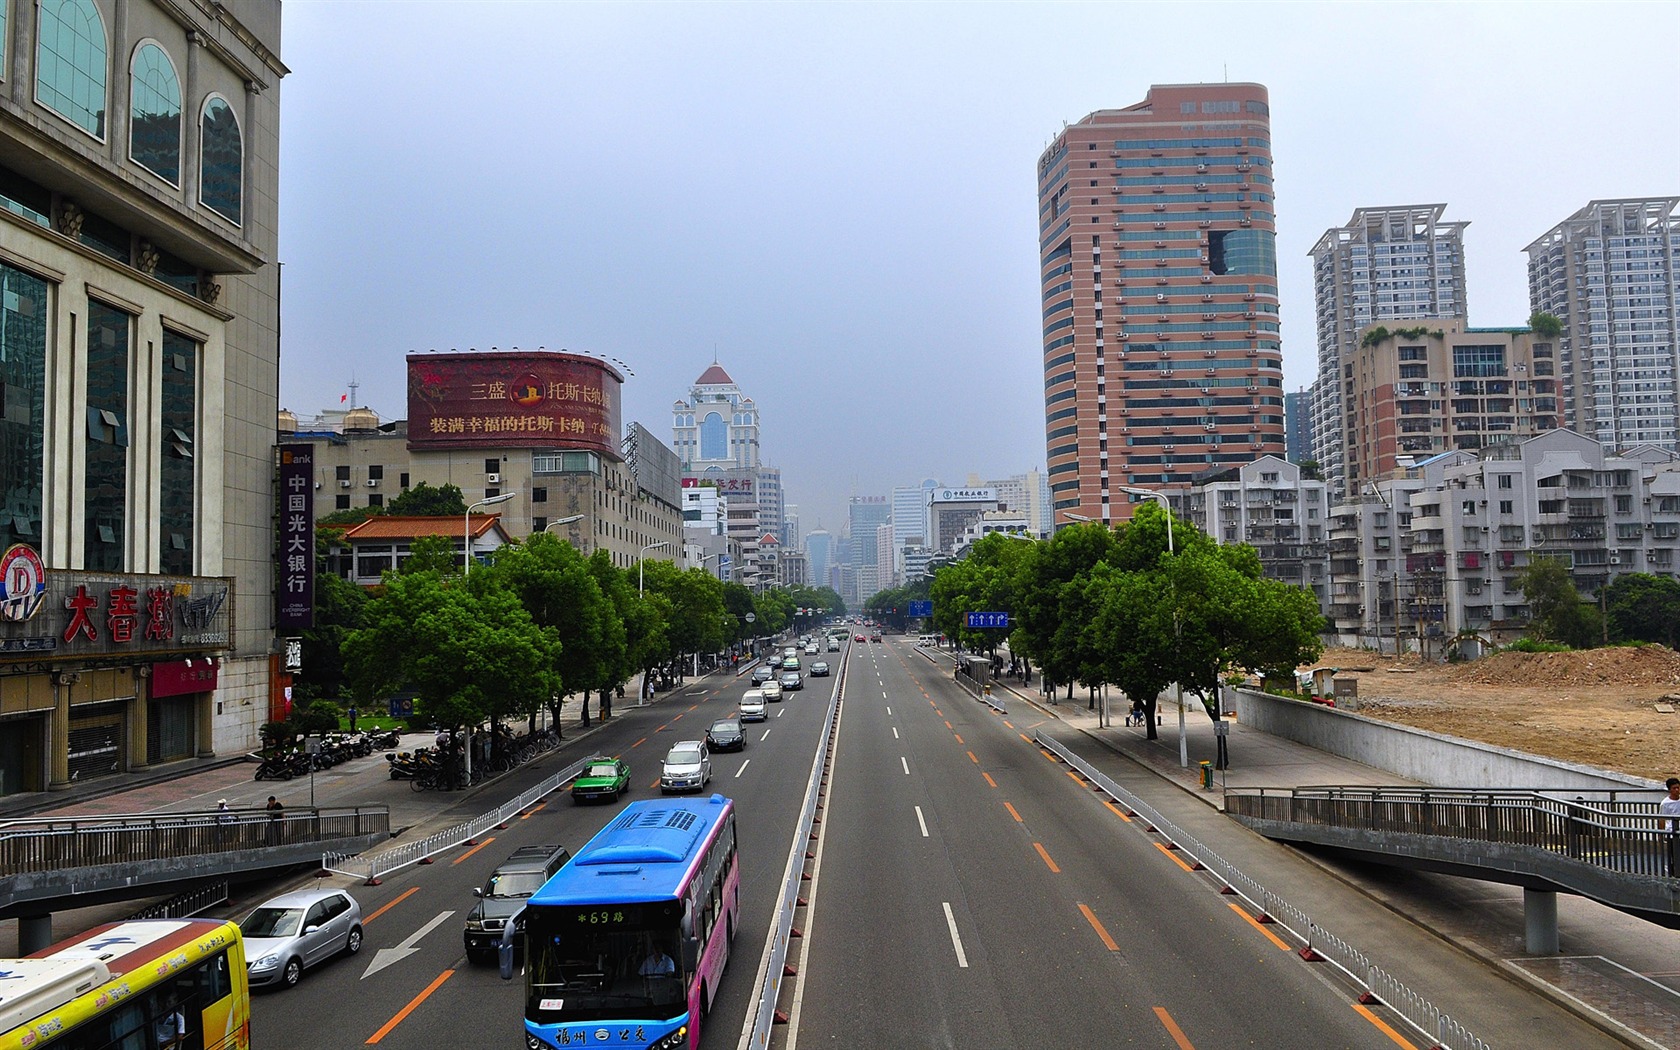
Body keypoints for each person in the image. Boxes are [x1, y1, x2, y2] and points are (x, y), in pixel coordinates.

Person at [1661, 777, 1680, 876]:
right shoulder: (1665, 803)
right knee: (1674, 855)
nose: (1677, 790)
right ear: (1670, 790)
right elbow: (1662, 819)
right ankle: (1673, 874)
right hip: (1671, 833)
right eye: (1674, 788)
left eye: (1678, 787)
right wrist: (1661, 834)